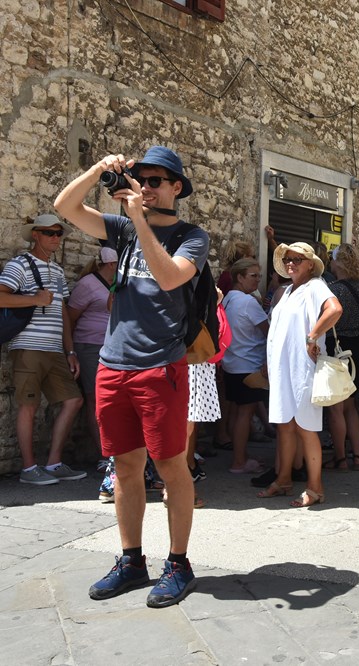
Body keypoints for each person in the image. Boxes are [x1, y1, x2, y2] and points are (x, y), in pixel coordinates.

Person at [54, 146, 209, 607]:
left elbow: (169, 278)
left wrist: (139, 217)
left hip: (160, 367)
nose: (147, 187)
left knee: (170, 466)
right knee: (123, 466)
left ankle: (178, 564)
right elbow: (65, 207)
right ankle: (131, 560)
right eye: (141, 179)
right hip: (113, 365)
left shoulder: (191, 236)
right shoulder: (121, 228)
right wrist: (98, 170)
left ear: (176, 187)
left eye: (157, 180)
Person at [0, 215, 85, 485]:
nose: (56, 238)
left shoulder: (57, 271)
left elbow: (62, 312)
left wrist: (70, 352)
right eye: (49, 233)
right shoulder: (20, 264)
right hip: (28, 346)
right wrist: (34, 299)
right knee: (29, 406)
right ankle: (28, 469)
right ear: (35, 235)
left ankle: (54, 463)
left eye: (59, 234)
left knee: (73, 400)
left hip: (54, 349)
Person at [259, 242, 342, 507]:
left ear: (310, 264)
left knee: (306, 427)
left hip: (303, 367)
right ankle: (283, 479)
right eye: (287, 259)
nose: (290, 263)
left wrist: (313, 336)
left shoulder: (315, 286)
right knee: (284, 425)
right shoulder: (286, 291)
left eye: (297, 259)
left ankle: (316, 488)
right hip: (282, 368)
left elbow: (335, 309)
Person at [324, 244, 359, 472]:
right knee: (351, 404)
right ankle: (356, 455)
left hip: (338, 346)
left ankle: (341, 458)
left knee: (336, 407)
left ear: (339, 262)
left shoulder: (333, 290)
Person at [68, 246, 118, 464]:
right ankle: (105, 456)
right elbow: (70, 317)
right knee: (95, 399)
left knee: (114, 400)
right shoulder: (88, 284)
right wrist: (70, 351)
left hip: (114, 347)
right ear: (112, 264)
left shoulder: (120, 284)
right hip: (89, 346)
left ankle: (116, 452)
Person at [220, 258, 269, 474]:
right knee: (244, 413)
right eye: (253, 276)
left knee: (237, 412)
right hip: (249, 364)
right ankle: (239, 461)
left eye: (259, 275)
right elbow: (268, 331)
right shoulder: (248, 302)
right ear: (239, 277)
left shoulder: (228, 299)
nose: (257, 280)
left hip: (232, 362)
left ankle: (240, 456)